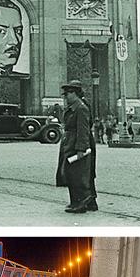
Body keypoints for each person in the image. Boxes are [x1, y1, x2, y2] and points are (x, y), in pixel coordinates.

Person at [56, 80, 91, 213]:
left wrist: (81, 148)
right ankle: (74, 201)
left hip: (75, 144)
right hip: (69, 143)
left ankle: (81, 202)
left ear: (75, 93)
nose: (66, 97)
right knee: (69, 174)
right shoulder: (72, 108)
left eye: (68, 94)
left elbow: (83, 130)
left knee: (77, 174)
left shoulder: (81, 109)